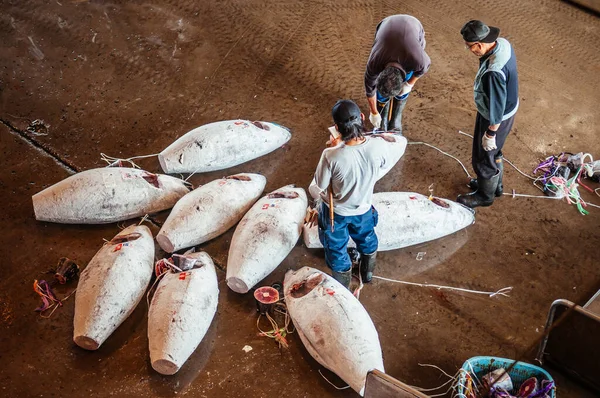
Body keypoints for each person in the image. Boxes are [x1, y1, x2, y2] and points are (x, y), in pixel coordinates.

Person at [308, 100, 403, 289]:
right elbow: (385, 162)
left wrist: (336, 147)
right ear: (361, 118)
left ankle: (343, 287)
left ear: (336, 127)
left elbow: (318, 187)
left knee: (336, 249)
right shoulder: (379, 146)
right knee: (367, 238)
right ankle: (367, 274)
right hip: (364, 209)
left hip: (337, 214)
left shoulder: (330, 155)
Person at [458, 20, 519, 208]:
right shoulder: (503, 44)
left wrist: (490, 133)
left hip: (496, 117)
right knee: (494, 151)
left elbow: (497, 105)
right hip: (509, 109)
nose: (470, 51)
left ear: (480, 44)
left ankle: (485, 196)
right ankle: (495, 186)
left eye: (470, 47)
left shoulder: (493, 71)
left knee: (484, 155)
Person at [364, 15, 431, 133]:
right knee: (381, 93)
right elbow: (370, 91)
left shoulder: (417, 60)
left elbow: (424, 67)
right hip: (385, 24)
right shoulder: (374, 62)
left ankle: (395, 118)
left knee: (405, 88)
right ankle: (382, 118)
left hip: (413, 26)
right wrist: (374, 112)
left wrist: (409, 84)